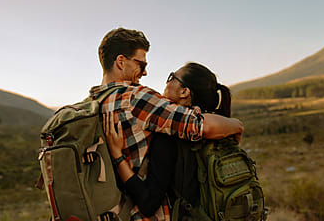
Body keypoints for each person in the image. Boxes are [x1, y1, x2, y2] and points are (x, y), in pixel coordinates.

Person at [90, 28, 243, 220]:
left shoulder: (94, 103)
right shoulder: (135, 98)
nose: (145, 72)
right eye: (141, 64)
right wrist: (236, 125)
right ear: (121, 62)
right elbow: (201, 125)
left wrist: (118, 157)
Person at [104, 62, 232, 219]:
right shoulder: (213, 127)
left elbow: (148, 203)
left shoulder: (170, 134)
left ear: (184, 92)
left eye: (172, 77)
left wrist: (117, 156)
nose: (167, 82)